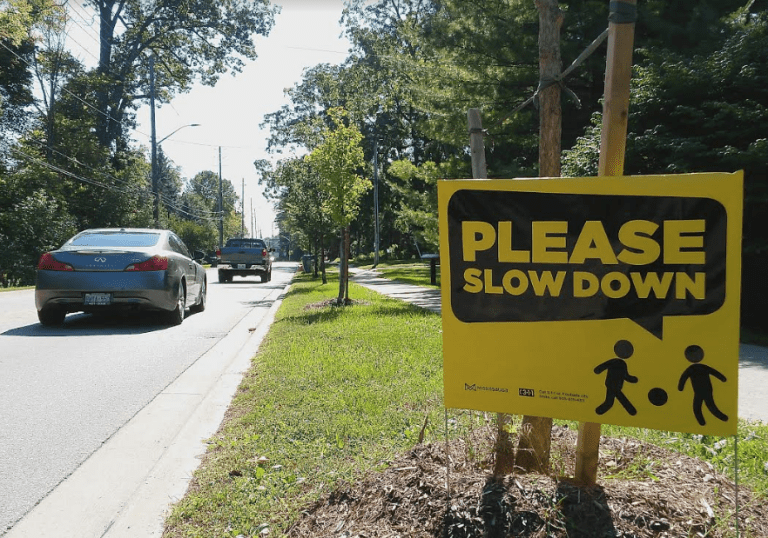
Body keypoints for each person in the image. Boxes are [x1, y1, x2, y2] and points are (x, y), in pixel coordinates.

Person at [677, 344, 728, 426]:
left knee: (698, 406)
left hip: (698, 391)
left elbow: (683, 378)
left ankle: (703, 422)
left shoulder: (690, 369)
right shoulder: (704, 367)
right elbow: (715, 372)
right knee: (710, 404)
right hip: (707, 389)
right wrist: (722, 379)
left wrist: (681, 387)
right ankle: (722, 418)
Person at [594, 339, 638, 416]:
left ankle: (631, 411)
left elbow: (602, 366)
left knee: (615, 399)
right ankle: (631, 411)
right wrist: (633, 379)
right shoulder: (622, 364)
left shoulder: (614, 361)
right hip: (616, 385)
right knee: (617, 399)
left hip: (611, 384)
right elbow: (626, 376)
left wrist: (598, 370)